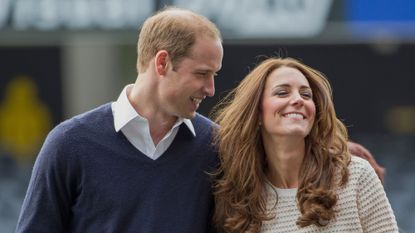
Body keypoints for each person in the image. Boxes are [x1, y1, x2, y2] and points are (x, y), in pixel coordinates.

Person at [16, 7, 223, 233]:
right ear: (162, 62)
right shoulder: (69, 143)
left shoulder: (217, 146)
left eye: (214, 75)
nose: (211, 90)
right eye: (202, 74)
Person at [212, 57, 398, 233]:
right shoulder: (237, 199)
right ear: (257, 113)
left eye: (306, 95)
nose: (298, 100)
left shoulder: (356, 176)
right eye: (282, 92)